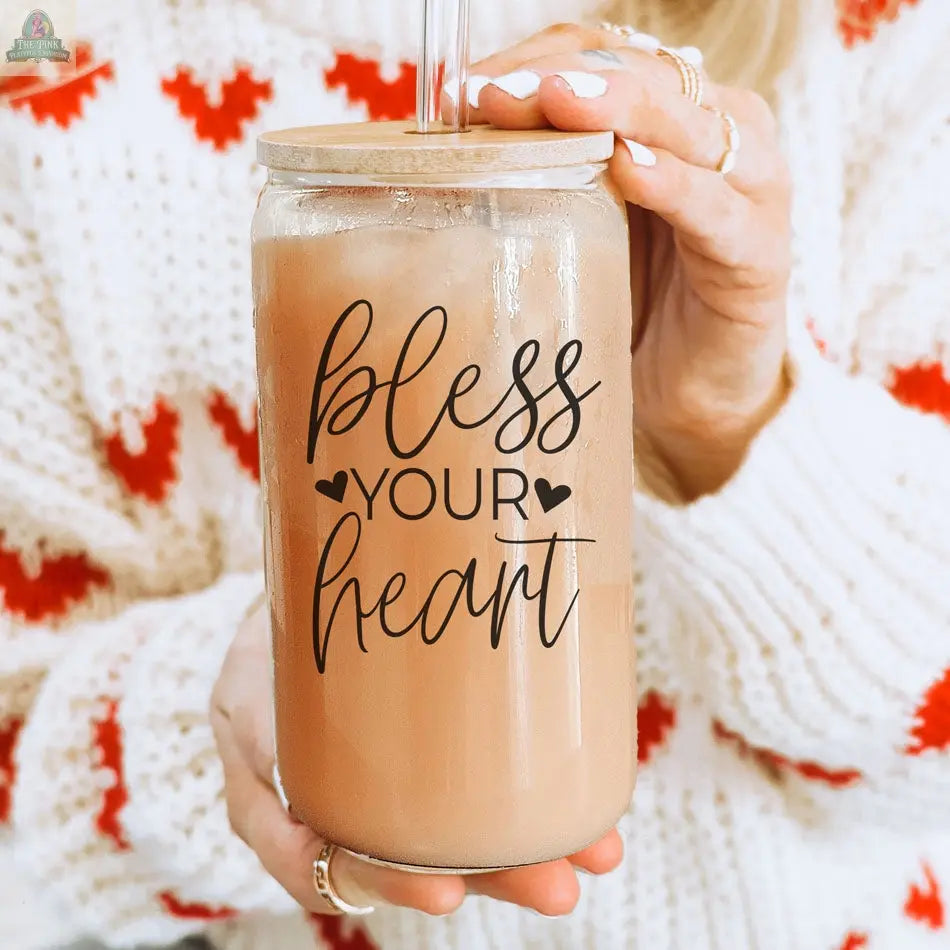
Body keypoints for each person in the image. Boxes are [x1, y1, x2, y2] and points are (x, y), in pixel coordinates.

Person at [0, 0, 947, 949]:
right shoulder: (54, 85)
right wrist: (255, 699)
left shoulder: (873, 39)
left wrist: (721, 427)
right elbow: (18, 807)